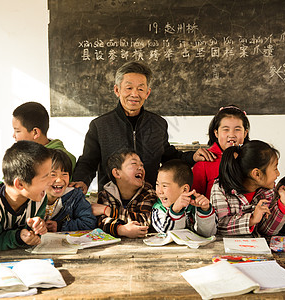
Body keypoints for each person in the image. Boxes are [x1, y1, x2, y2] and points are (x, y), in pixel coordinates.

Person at [71, 61, 215, 194]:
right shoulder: (100, 125)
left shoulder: (158, 124)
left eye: (140, 89)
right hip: (111, 200)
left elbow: (169, 157)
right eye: (128, 88)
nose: (134, 94)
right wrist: (81, 180)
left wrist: (192, 157)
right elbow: (88, 161)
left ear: (147, 93)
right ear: (117, 90)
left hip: (149, 199)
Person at [211, 140, 285, 236]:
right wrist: (252, 219)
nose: (278, 174)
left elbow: (268, 231)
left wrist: (284, 202)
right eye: (275, 168)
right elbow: (220, 226)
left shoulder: (268, 191)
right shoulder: (221, 188)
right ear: (257, 174)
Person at [91, 149, 157, 238]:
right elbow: (102, 223)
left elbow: (143, 221)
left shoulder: (148, 192)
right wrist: (122, 230)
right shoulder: (106, 194)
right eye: (134, 164)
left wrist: (108, 211)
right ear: (117, 173)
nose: (140, 168)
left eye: (142, 165)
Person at [192, 105, 250, 197]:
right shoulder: (204, 163)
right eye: (226, 129)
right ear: (216, 133)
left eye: (237, 129)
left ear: (245, 133)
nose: (231, 134)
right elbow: (195, 198)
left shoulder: (252, 158)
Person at [152, 159, 217, 237]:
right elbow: (168, 234)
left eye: (164, 186)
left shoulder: (195, 204)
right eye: (157, 184)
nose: (159, 191)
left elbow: (208, 234)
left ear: (185, 189)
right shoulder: (158, 209)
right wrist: (175, 211)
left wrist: (205, 211)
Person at [12, 101, 76, 170]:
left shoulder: (61, 160)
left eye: (17, 131)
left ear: (35, 132)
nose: (13, 136)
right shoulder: (21, 156)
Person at [44, 149, 96, 232]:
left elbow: (89, 222)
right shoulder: (30, 197)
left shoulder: (74, 195)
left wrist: (60, 226)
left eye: (64, 174)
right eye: (53, 175)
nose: (59, 180)